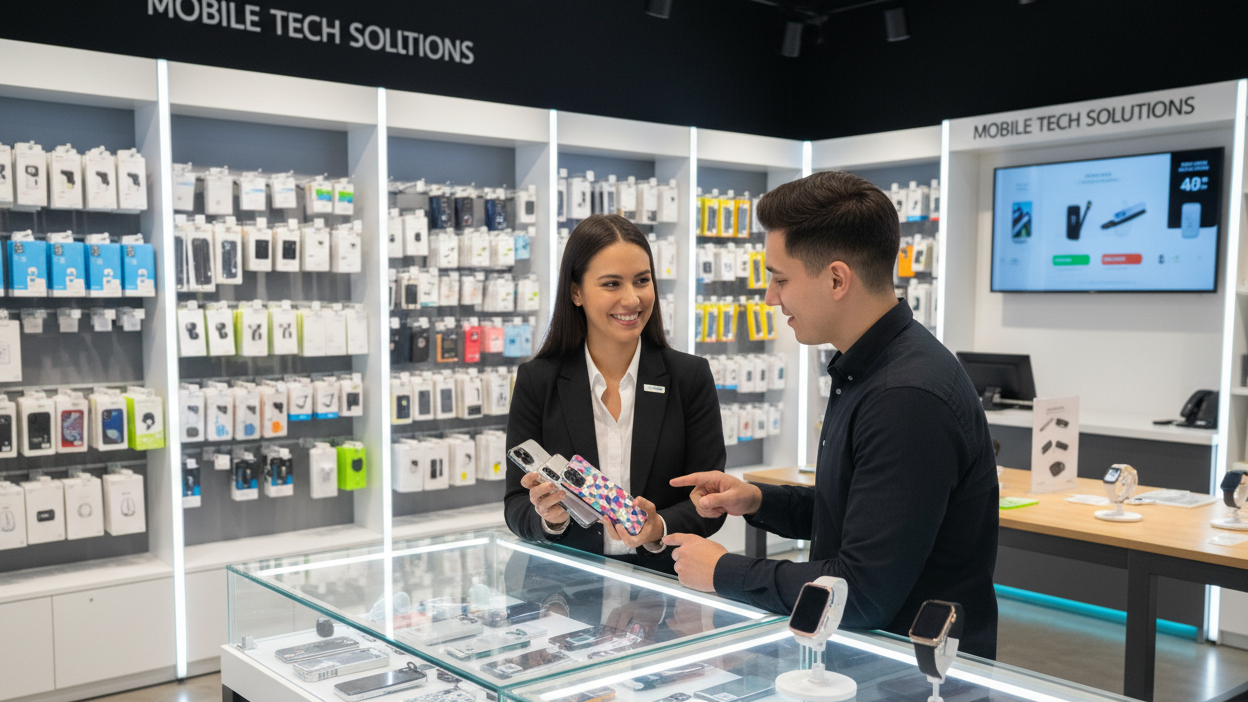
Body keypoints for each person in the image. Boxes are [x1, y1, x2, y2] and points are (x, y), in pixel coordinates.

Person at [661, 171, 1000, 658]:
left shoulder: (905, 397)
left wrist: (723, 571)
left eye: (780, 279)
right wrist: (758, 500)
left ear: (837, 278)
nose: (771, 298)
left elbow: (860, 594)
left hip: (911, 676)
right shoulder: (874, 369)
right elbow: (862, 512)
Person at [505, 214, 727, 574]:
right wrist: (550, 519)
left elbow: (708, 498)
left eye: (642, 280)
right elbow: (516, 504)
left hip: (663, 589)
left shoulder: (689, 377)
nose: (632, 298)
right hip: (565, 592)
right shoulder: (538, 380)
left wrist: (658, 529)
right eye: (611, 284)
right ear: (576, 291)